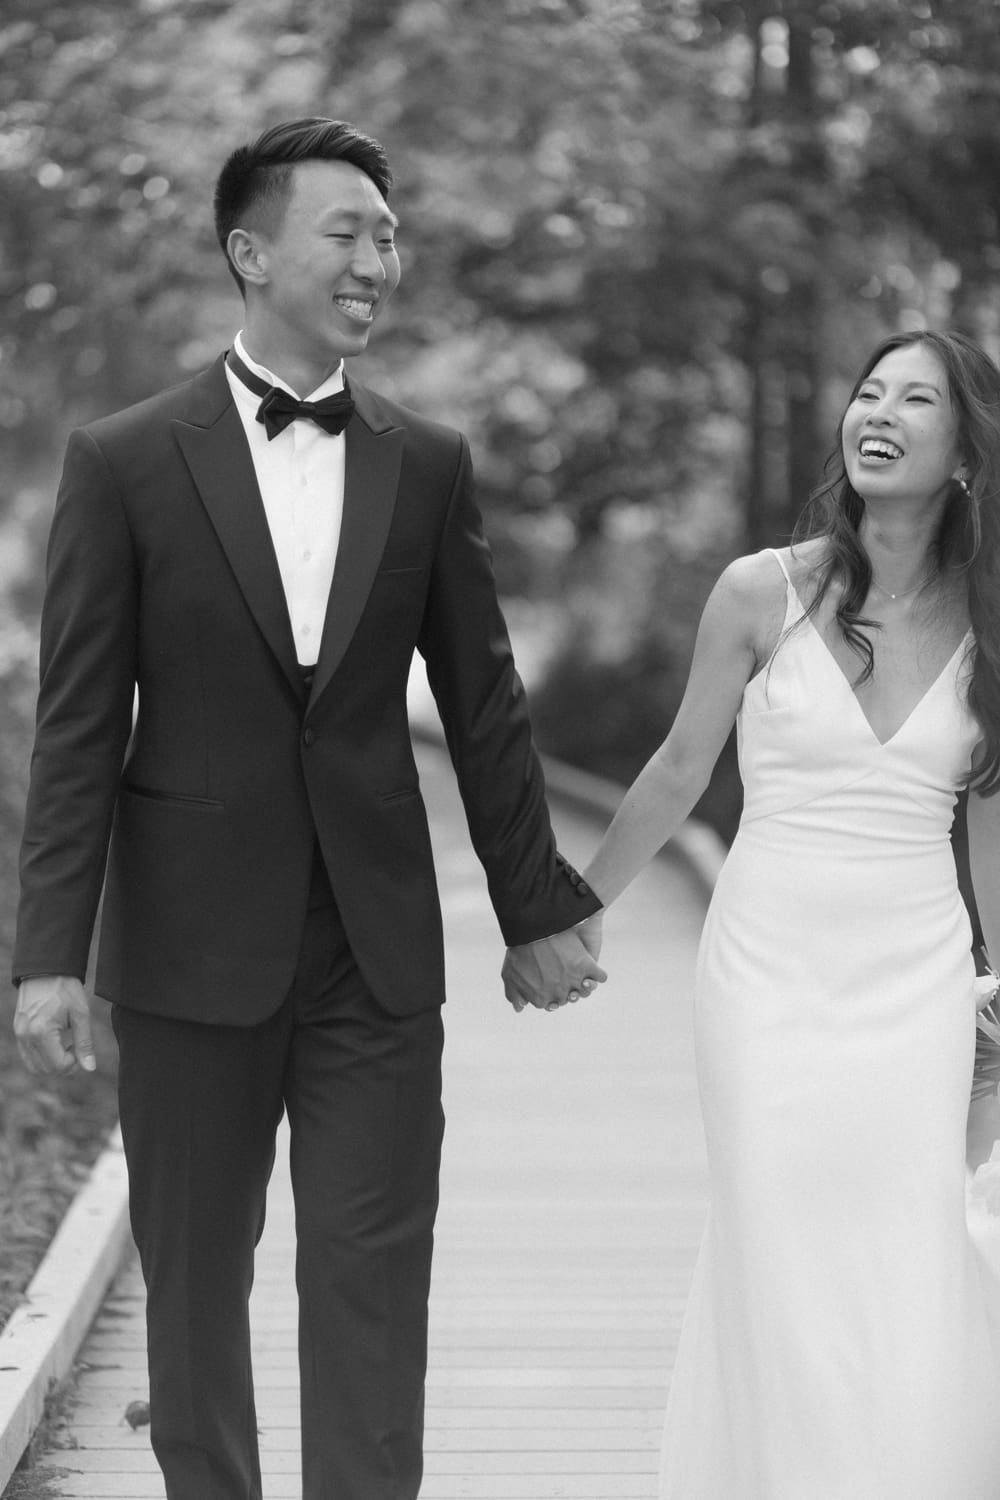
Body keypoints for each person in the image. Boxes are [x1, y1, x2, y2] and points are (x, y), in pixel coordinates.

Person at [11, 117, 606, 1500]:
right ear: (250, 251)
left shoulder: (427, 462)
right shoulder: (123, 459)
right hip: (186, 946)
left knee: (372, 1276)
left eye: (388, 238)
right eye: (347, 232)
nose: (377, 262)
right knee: (193, 1285)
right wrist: (51, 953)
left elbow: (484, 704)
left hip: (373, 947)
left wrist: (536, 911)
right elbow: (79, 723)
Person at [557, 329, 1000, 1498]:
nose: (878, 413)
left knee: (903, 1242)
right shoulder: (760, 589)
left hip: (916, 976)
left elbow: (991, 822)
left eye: (915, 399)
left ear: (965, 452)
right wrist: (571, 911)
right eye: (868, 392)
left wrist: (995, 984)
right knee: (775, 1238)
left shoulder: (990, 621)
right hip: (765, 967)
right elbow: (677, 769)